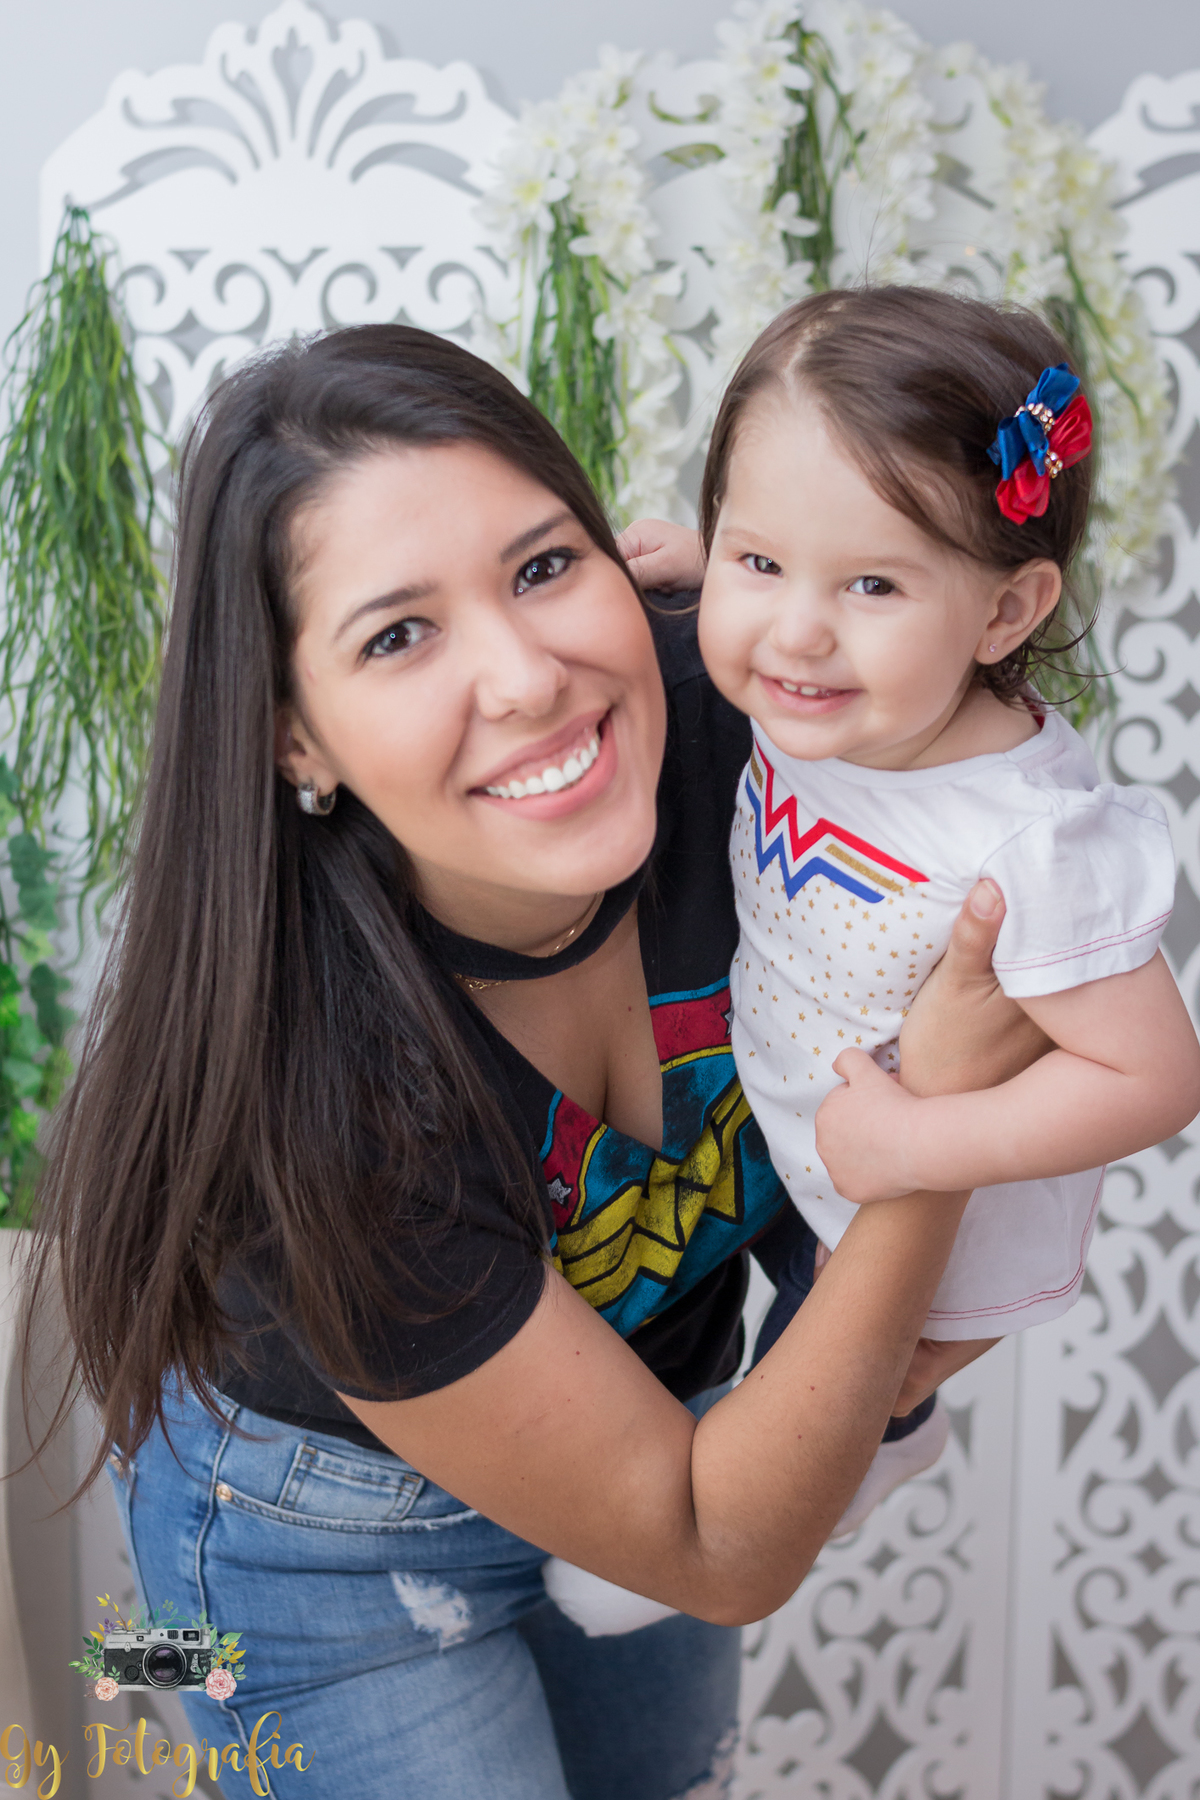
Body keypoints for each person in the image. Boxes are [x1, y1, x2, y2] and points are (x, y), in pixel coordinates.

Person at [25, 324, 1050, 1800]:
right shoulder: (317, 1104)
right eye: (398, 633)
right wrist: (930, 1136)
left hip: (656, 1461)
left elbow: (1020, 759)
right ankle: (168, 1655)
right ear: (292, 738)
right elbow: (722, 1551)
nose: (528, 678)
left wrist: (791, 604)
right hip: (320, 1553)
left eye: (543, 567)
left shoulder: (754, 754)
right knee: (166, 1670)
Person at [598, 289, 1200, 1590]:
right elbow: (797, 607)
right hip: (801, 1104)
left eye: (872, 582)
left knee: (846, 1372)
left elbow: (1155, 1075)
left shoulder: (1025, 838)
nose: (799, 633)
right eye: (762, 561)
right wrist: (727, 585)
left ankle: (879, 1438)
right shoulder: (838, 691)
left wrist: (923, 1145)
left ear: (1003, 614)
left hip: (928, 1198)